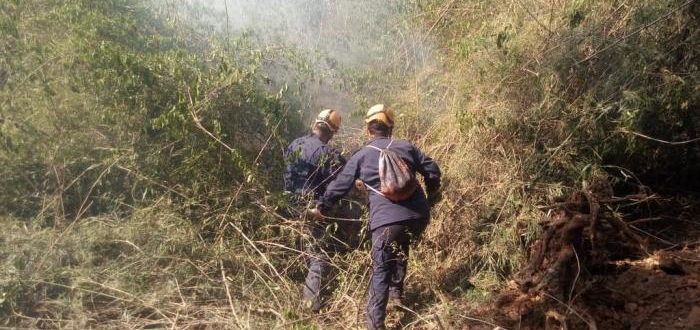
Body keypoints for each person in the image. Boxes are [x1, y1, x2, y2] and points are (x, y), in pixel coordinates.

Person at [314, 104, 441, 329]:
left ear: (368, 130)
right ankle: (396, 295)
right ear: (390, 128)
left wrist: (321, 208)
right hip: (418, 216)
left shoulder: (362, 155)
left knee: (381, 267)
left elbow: (339, 185)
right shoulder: (406, 146)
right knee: (401, 244)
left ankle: (375, 325)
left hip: (386, 222)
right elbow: (432, 170)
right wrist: (431, 197)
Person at [283, 109, 346, 313]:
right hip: (311, 210)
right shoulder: (326, 154)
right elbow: (339, 183)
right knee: (318, 257)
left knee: (298, 249)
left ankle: (290, 287)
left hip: (289, 206)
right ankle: (311, 308)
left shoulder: (295, 144)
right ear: (331, 132)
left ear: (315, 124)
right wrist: (321, 206)